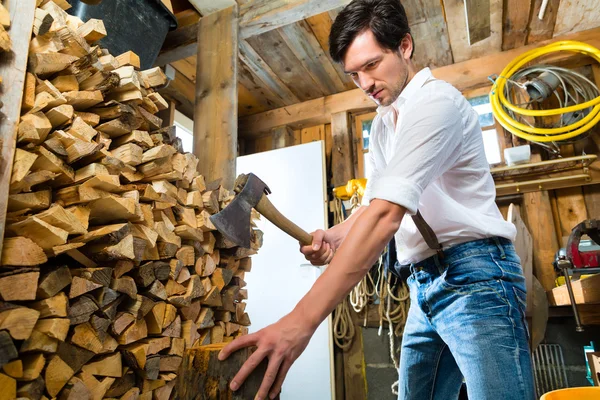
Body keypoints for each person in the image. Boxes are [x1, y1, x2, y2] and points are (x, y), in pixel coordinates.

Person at [219, 1, 535, 399]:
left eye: (371, 65)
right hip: (424, 279)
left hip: (475, 274)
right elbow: (372, 206)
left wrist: (300, 321)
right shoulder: (386, 123)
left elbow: (386, 216)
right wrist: (336, 235)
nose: (364, 83)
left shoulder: (436, 104)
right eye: (354, 74)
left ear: (404, 46)